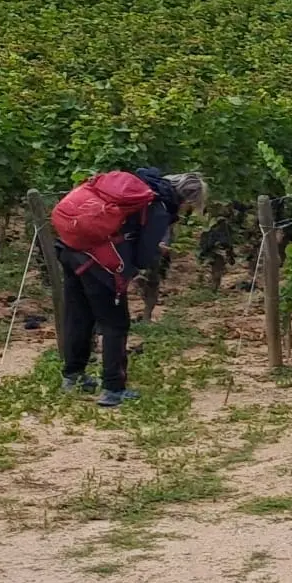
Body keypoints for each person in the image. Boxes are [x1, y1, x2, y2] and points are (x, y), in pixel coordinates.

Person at [58, 170, 206, 407]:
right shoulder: (157, 206)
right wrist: (155, 252)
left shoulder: (134, 188)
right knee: (115, 324)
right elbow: (143, 256)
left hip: (72, 250)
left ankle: (72, 377)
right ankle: (112, 389)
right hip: (101, 263)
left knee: (79, 315)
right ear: (187, 199)